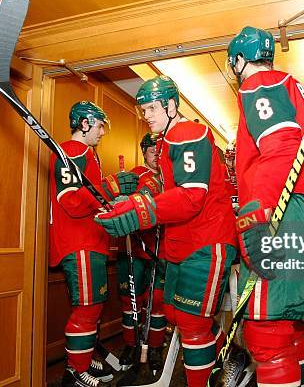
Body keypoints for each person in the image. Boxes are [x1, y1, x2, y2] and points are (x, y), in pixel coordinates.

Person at [95, 75, 237, 387]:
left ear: (172, 105)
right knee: (172, 312)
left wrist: (140, 212)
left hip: (206, 238)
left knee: (191, 321)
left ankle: (210, 376)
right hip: (184, 240)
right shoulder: (168, 139)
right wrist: (133, 205)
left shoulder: (187, 132)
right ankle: (233, 357)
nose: (146, 115)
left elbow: (191, 195)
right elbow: (171, 197)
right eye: (143, 109)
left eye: (151, 108)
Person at [226, 26, 304, 387]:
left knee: (267, 332)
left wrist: (256, 216)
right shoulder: (294, 88)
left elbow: (281, 150)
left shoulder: (259, 84)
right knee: (287, 327)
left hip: (283, 209)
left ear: (239, 60)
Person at [50, 101, 128, 387]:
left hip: (89, 242)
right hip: (78, 243)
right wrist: (111, 187)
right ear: (84, 124)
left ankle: (81, 360)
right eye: (99, 125)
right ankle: (76, 372)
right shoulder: (71, 151)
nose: (103, 131)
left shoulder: (85, 153)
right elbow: (70, 199)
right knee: (86, 309)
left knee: (92, 308)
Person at [115, 133, 167, 372]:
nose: (156, 154)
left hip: (161, 249)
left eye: (160, 150)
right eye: (152, 150)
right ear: (144, 151)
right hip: (135, 249)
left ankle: (155, 347)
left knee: (157, 301)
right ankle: (131, 344)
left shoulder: (170, 177)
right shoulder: (135, 174)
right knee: (130, 300)